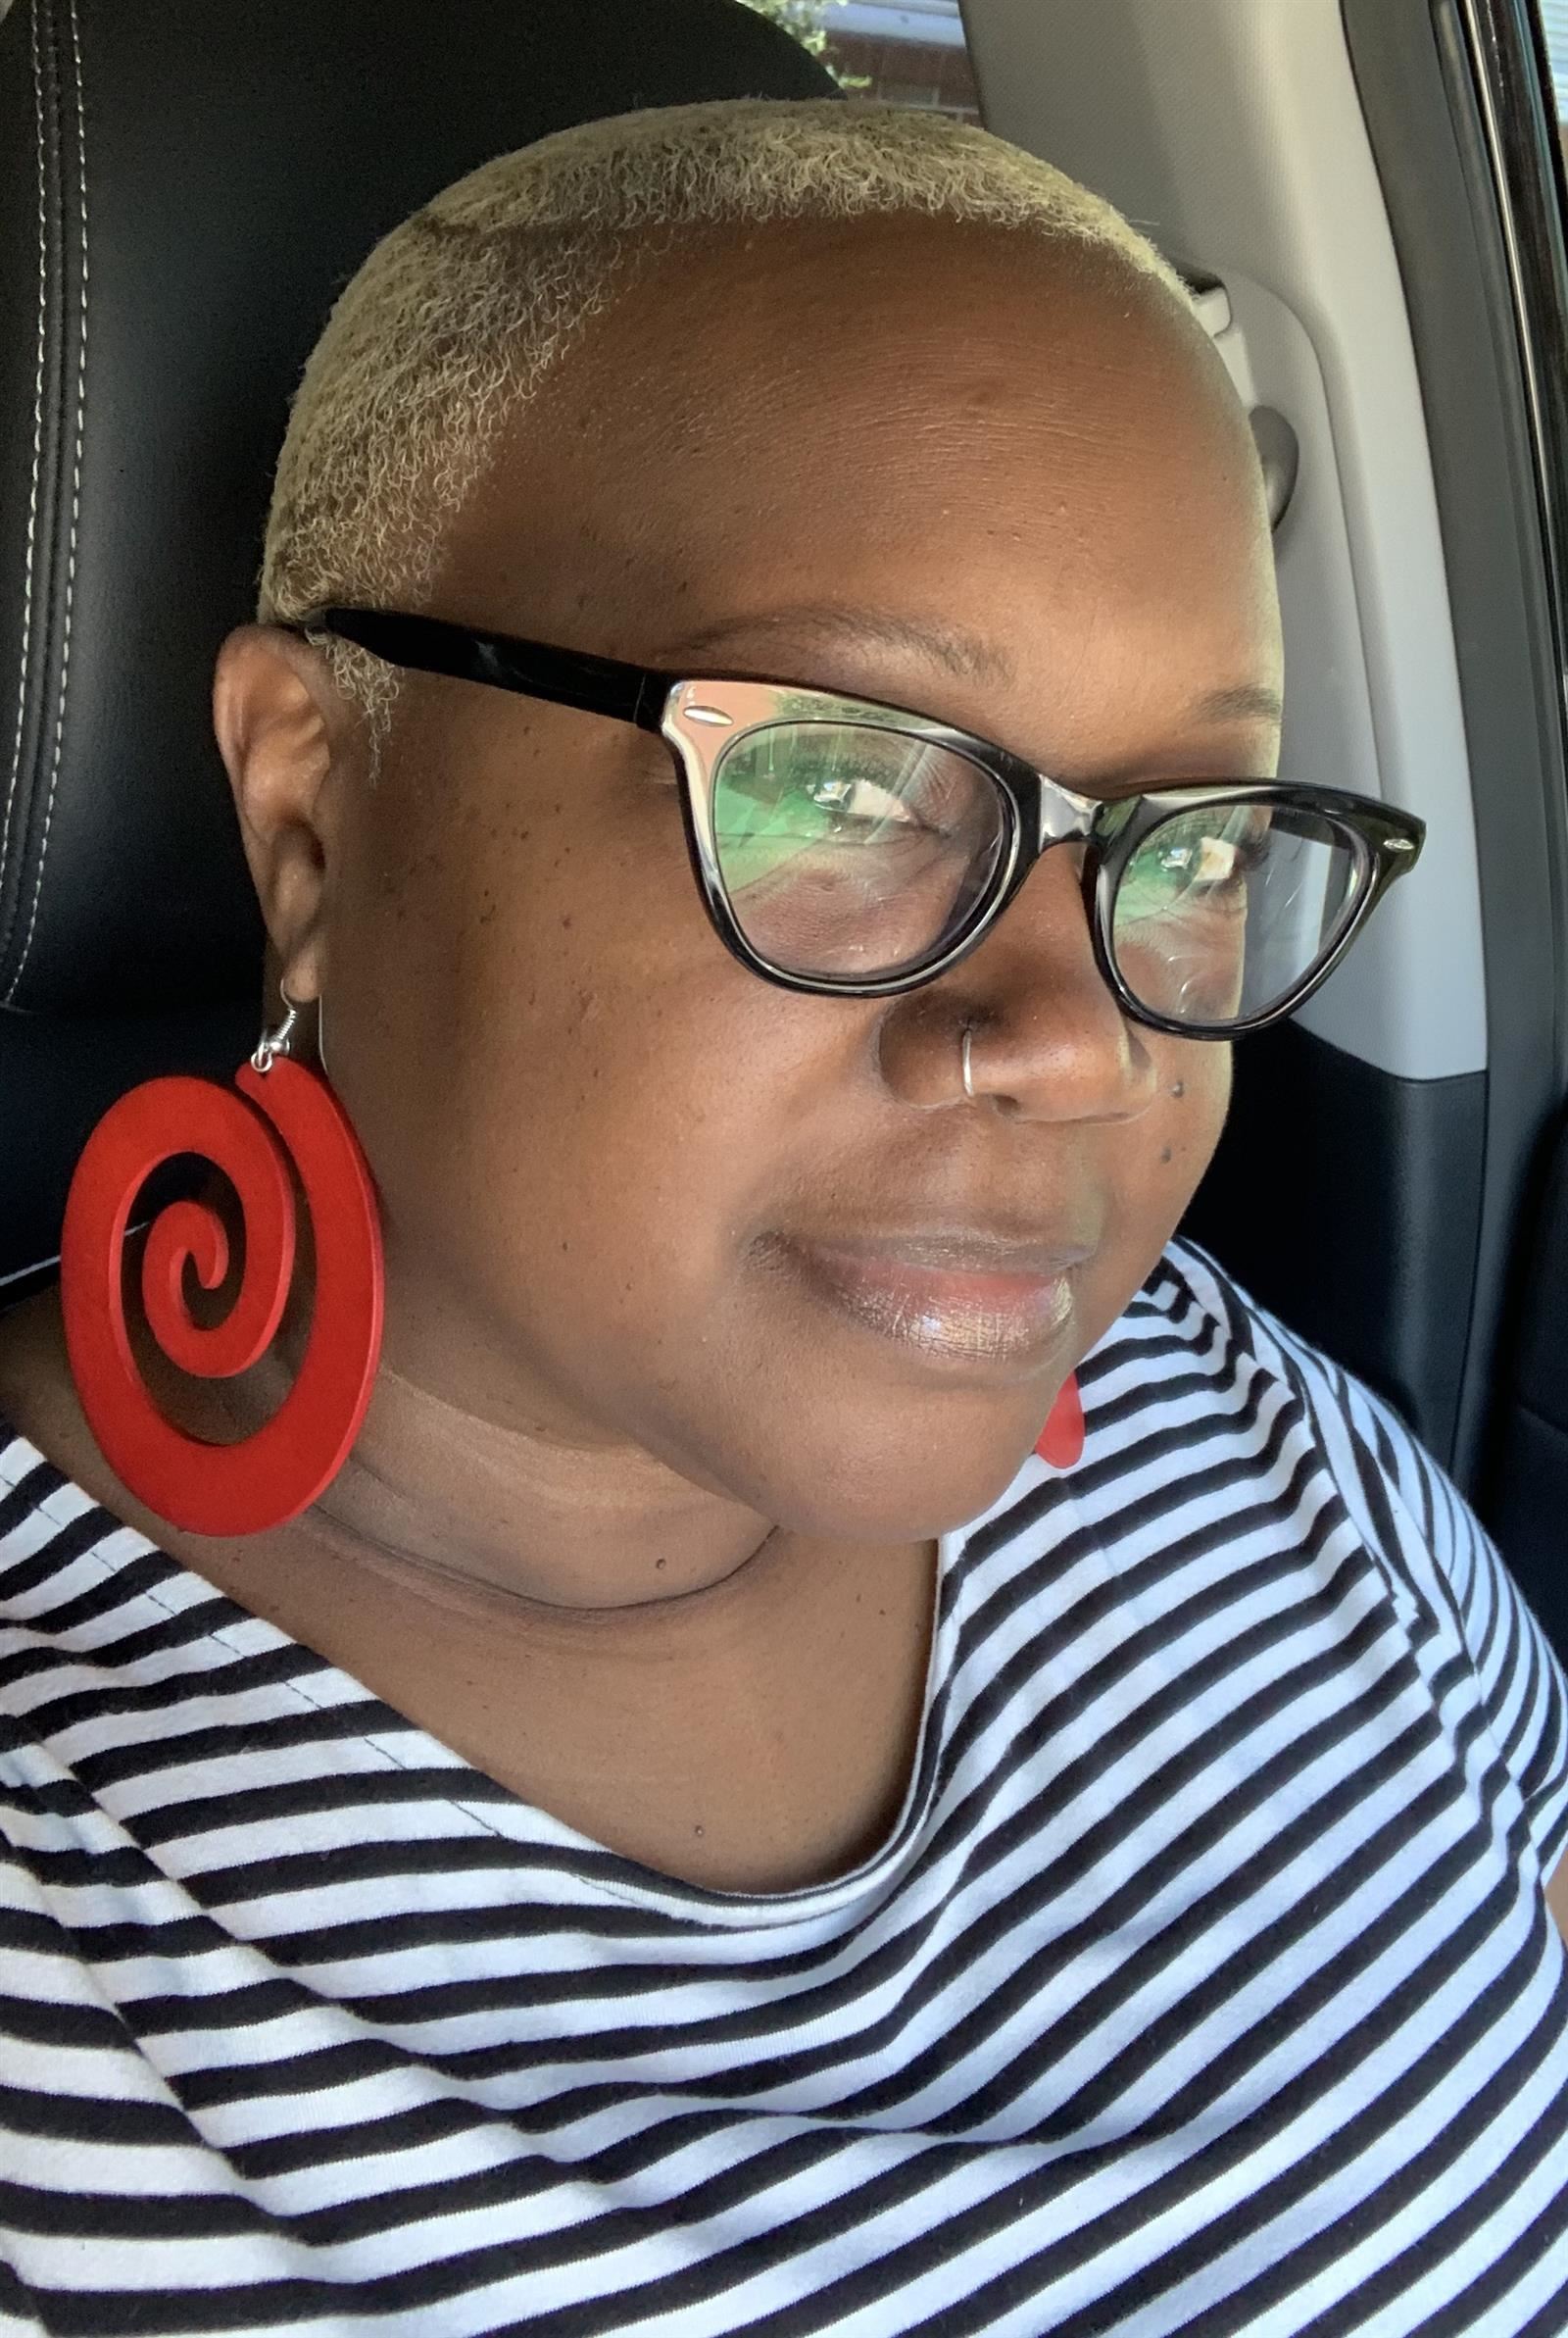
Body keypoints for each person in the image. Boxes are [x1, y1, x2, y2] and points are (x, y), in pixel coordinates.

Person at [0, 95, 1563, 2337]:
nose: (1076, 1041)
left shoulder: (1257, 1441)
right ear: (312, 813)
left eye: (1192, 839)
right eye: (840, 781)